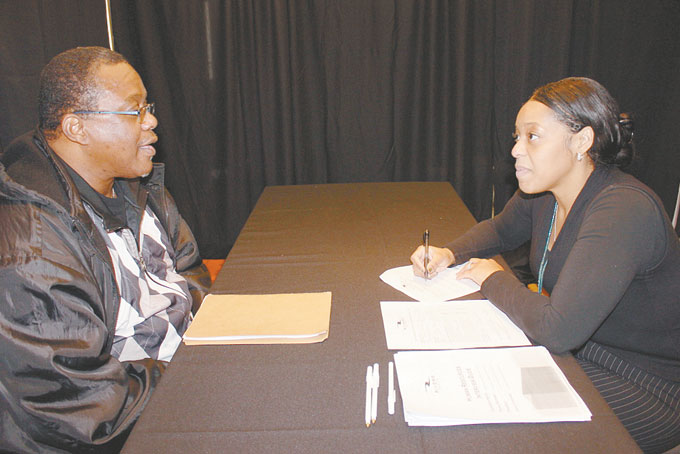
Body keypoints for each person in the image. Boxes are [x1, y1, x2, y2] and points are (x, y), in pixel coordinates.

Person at [411, 77, 680, 453]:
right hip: (582, 352)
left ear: (581, 142)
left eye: (532, 136)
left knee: (510, 433)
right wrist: (449, 253)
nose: (516, 150)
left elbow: (557, 329)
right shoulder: (546, 193)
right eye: (516, 137)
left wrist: (493, 279)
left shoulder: (623, 208)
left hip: (646, 383)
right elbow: (500, 230)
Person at [0, 46, 211, 453]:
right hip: (128, 424)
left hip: (178, 375)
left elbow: (189, 272)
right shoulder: (31, 246)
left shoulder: (135, 184)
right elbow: (81, 407)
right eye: (134, 110)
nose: (151, 121)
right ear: (77, 128)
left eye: (147, 105)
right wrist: (196, 377)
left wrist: (216, 340)